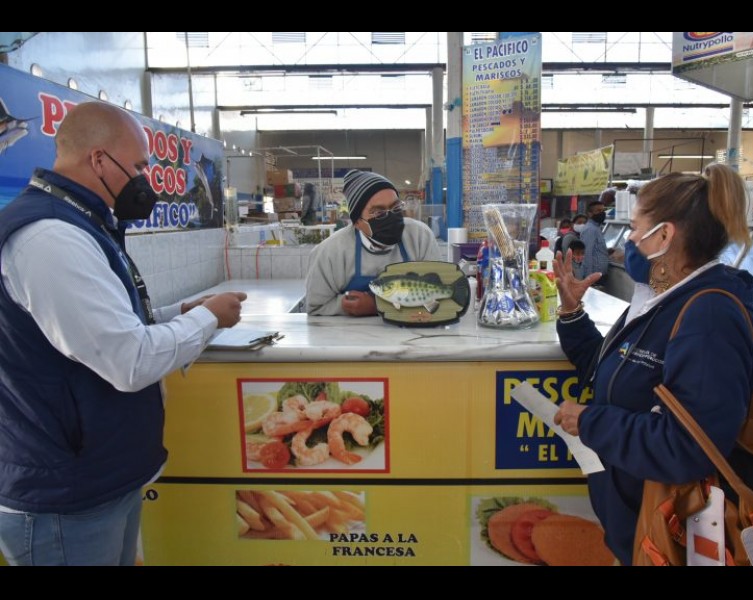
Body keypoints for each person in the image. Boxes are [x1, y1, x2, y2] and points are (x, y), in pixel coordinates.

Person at [0, 102, 247, 566]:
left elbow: (105, 329)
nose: (144, 180)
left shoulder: (83, 224)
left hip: (99, 477)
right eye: (137, 167)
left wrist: (181, 312)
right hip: (64, 496)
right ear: (98, 160)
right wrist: (208, 319)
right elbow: (128, 361)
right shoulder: (50, 238)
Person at [551, 164, 753, 566]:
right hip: (640, 526)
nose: (628, 239)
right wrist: (572, 312)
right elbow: (613, 372)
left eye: (635, 228)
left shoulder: (709, 318)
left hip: (676, 536)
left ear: (664, 235)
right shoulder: (661, 300)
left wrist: (592, 422)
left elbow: (688, 447)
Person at [305, 169, 440, 316]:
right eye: (378, 213)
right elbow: (315, 307)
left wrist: (377, 305)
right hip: (352, 331)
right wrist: (345, 305)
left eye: (396, 207)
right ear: (357, 222)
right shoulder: (331, 252)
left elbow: (437, 294)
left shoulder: (420, 237)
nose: (391, 217)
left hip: (412, 327)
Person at [580, 200, 609, 286]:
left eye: (603, 210)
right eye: (598, 211)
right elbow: (586, 254)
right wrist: (589, 279)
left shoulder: (596, 228)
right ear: (590, 214)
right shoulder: (590, 229)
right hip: (594, 277)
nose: (602, 213)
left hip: (599, 275)